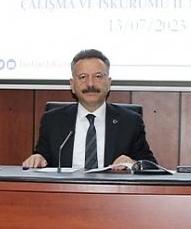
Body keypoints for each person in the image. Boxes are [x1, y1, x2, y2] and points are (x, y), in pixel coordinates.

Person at [22, 49, 157, 169]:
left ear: (109, 83)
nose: (90, 84)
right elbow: (42, 156)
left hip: (111, 189)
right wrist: (38, 158)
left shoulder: (130, 122)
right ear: (72, 85)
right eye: (83, 77)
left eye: (98, 76)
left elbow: (151, 165)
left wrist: (133, 163)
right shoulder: (53, 120)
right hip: (65, 189)